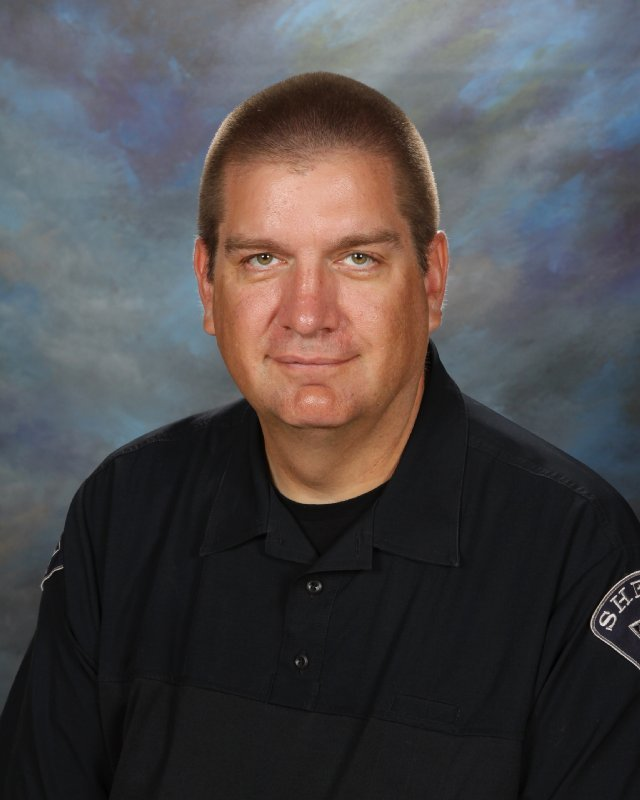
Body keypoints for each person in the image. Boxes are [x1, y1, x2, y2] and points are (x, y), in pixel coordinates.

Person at [1, 72, 639, 799]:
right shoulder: (123, 512)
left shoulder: (578, 554)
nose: (308, 315)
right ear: (208, 285)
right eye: (263, 259)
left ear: (432, 280)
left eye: (357, 257)